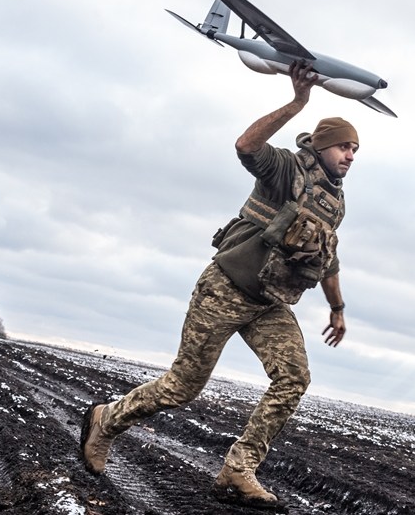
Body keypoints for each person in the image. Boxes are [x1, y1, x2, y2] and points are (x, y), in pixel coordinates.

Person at [80, 59, 358, 510]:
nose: (349, 156)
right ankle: (106, 420)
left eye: (354, 150)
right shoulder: (285, 170)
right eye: (343, 147)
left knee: (293, 379)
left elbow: (328, 258)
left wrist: (338, 308)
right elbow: (246, 145)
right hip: (225, 289)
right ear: (322, 146)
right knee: (182, 388)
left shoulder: (335, 201)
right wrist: (297, 102)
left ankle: (238, 469)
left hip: (269, 304)